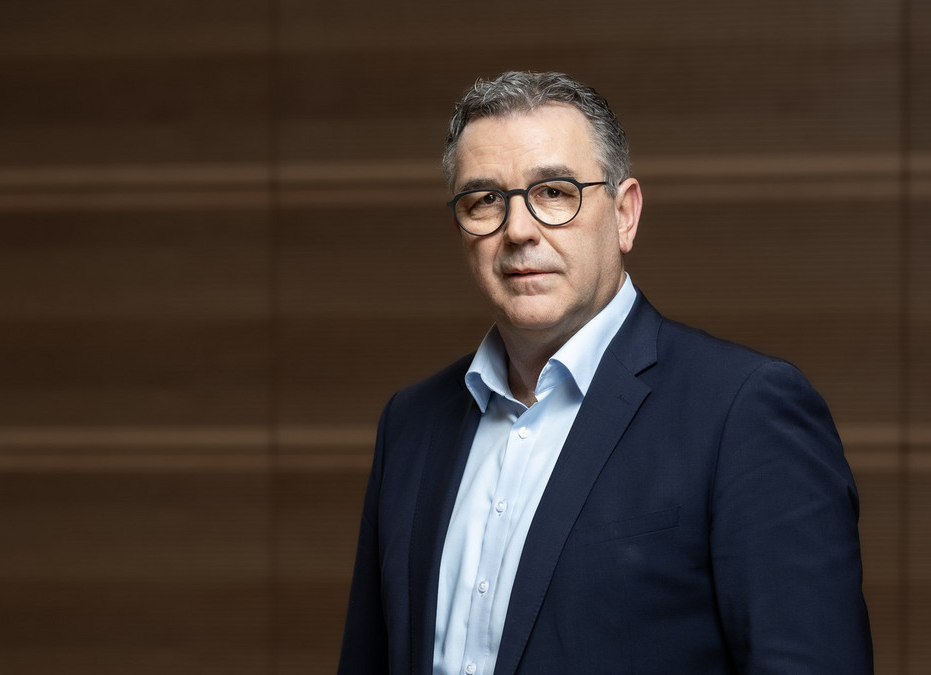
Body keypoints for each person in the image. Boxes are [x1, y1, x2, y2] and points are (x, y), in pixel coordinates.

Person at [337, 71, 872, 674]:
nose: (518, 230)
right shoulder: (411, 424)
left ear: (624, 215)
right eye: (485, 200)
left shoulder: (744, 412)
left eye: (554, 192)